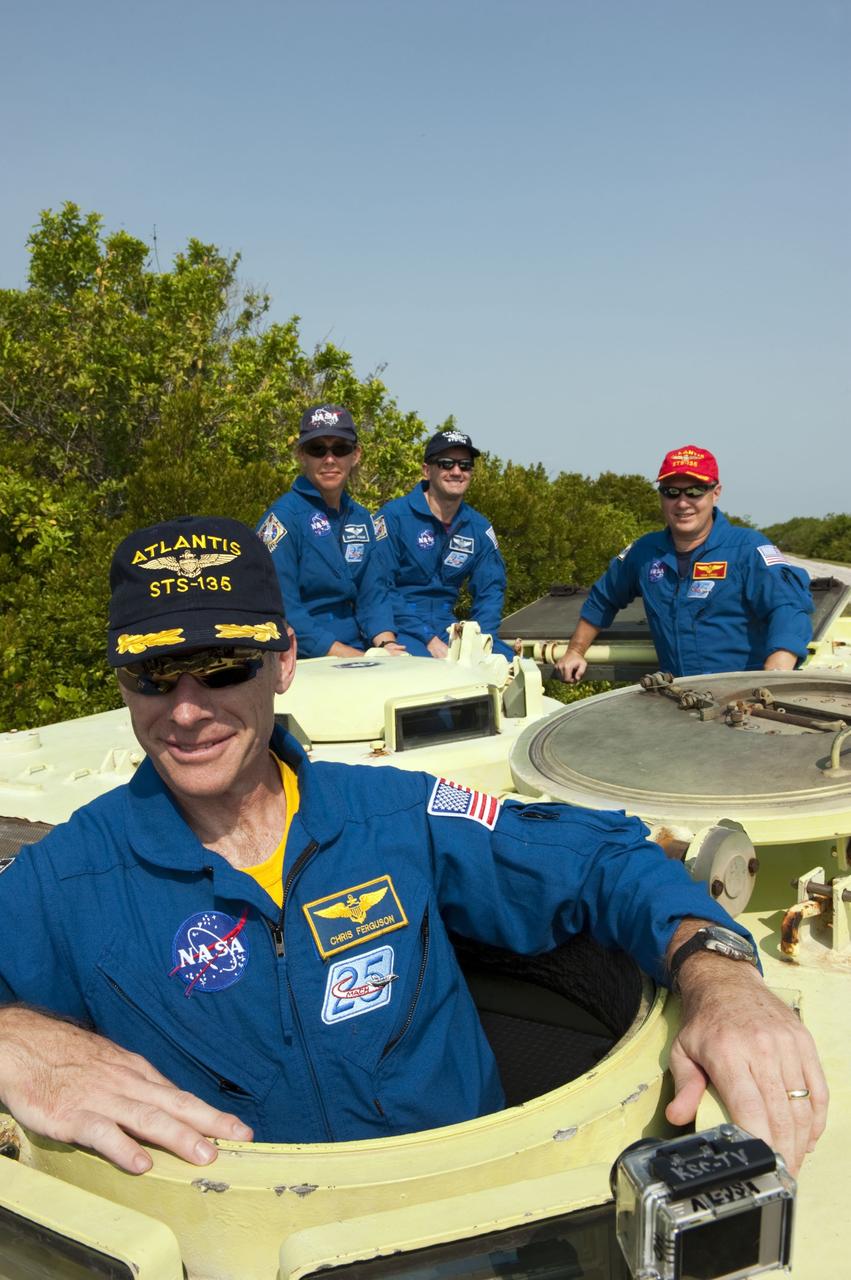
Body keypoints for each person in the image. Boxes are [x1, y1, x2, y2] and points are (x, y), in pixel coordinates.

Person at [0, 515, 826, 1178]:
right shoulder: (63, 877)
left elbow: (602, 858)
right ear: (120, 677)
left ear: (283, 660)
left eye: (220, 666)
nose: (185, 711)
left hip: (470, 1235)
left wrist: (718, 975)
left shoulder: (396, 813)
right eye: (155, 672)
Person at [556, 445, 813, 683]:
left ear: (716, 493)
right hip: (679, 696)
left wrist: (780, 661)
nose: (682, 503)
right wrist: (575, 651)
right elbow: (603, 598)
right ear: (661, 496)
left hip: (743, 694)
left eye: (694, 491)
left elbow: (788, 607)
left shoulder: (747, 548)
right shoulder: (645, 552)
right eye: (671, 492)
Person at [257, 403, 403, 658]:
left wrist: (386, 645)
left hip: (358, 647)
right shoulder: (282, 519)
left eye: (340, 448)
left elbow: (373, 595)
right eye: (317, 449)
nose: (329, 459)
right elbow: (284, 611)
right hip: (302, 656)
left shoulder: (361, 518)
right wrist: (355, 658)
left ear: (355, 454)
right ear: (302, 455)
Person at [377, 429, 514, 659]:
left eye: (465, 465)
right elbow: (379, 587)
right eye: (446, 464)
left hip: (448, 626)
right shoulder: (394, 517)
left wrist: (479, 640)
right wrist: (427, 638)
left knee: (513, 667)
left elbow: (491, 590)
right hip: (401, 626)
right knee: (428, 675)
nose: (457, 471)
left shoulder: (478, 527)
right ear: (427, 470)